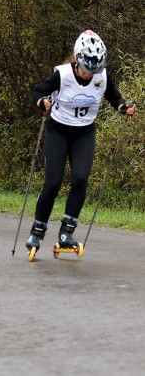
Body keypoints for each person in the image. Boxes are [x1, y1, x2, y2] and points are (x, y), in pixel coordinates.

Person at [26, 30, 136, 257]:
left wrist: (123, 107)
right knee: (53, 183)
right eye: (86, 67)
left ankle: (67, 232)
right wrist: (41, 102)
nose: (89, 73)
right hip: (58, 132)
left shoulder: (101, 76)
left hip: (84, 134)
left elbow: (114, 96)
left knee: (80, 179)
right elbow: (37, 91)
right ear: (77, 60)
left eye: (94, 68)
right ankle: (37, 231)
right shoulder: (62, 75)